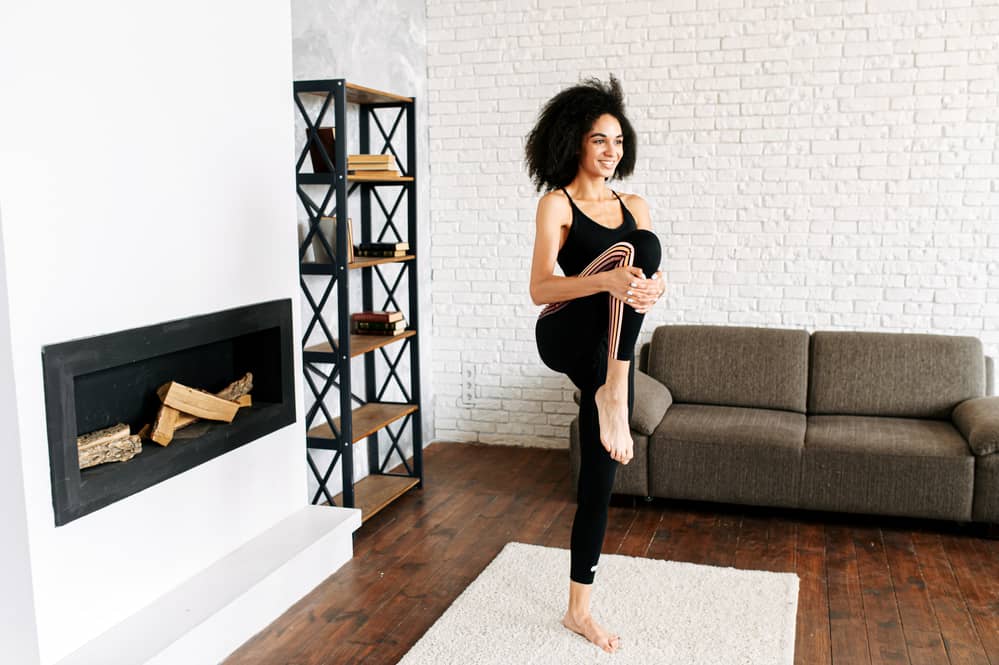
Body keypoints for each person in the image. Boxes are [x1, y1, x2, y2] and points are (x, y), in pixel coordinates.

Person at [526, 74, 664, 654]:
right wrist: (607, 278)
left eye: (618, 142)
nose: (612, 153)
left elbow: (644, 283)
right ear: (575, 143)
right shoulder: (556, 204)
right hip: (562, 329)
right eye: (600, 141)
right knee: (640, 251)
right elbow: (539, 288)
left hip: (610, 355)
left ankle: (577, 609)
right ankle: (612, 395)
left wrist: (654, 291)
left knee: (599, 481)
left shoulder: (634, 204)